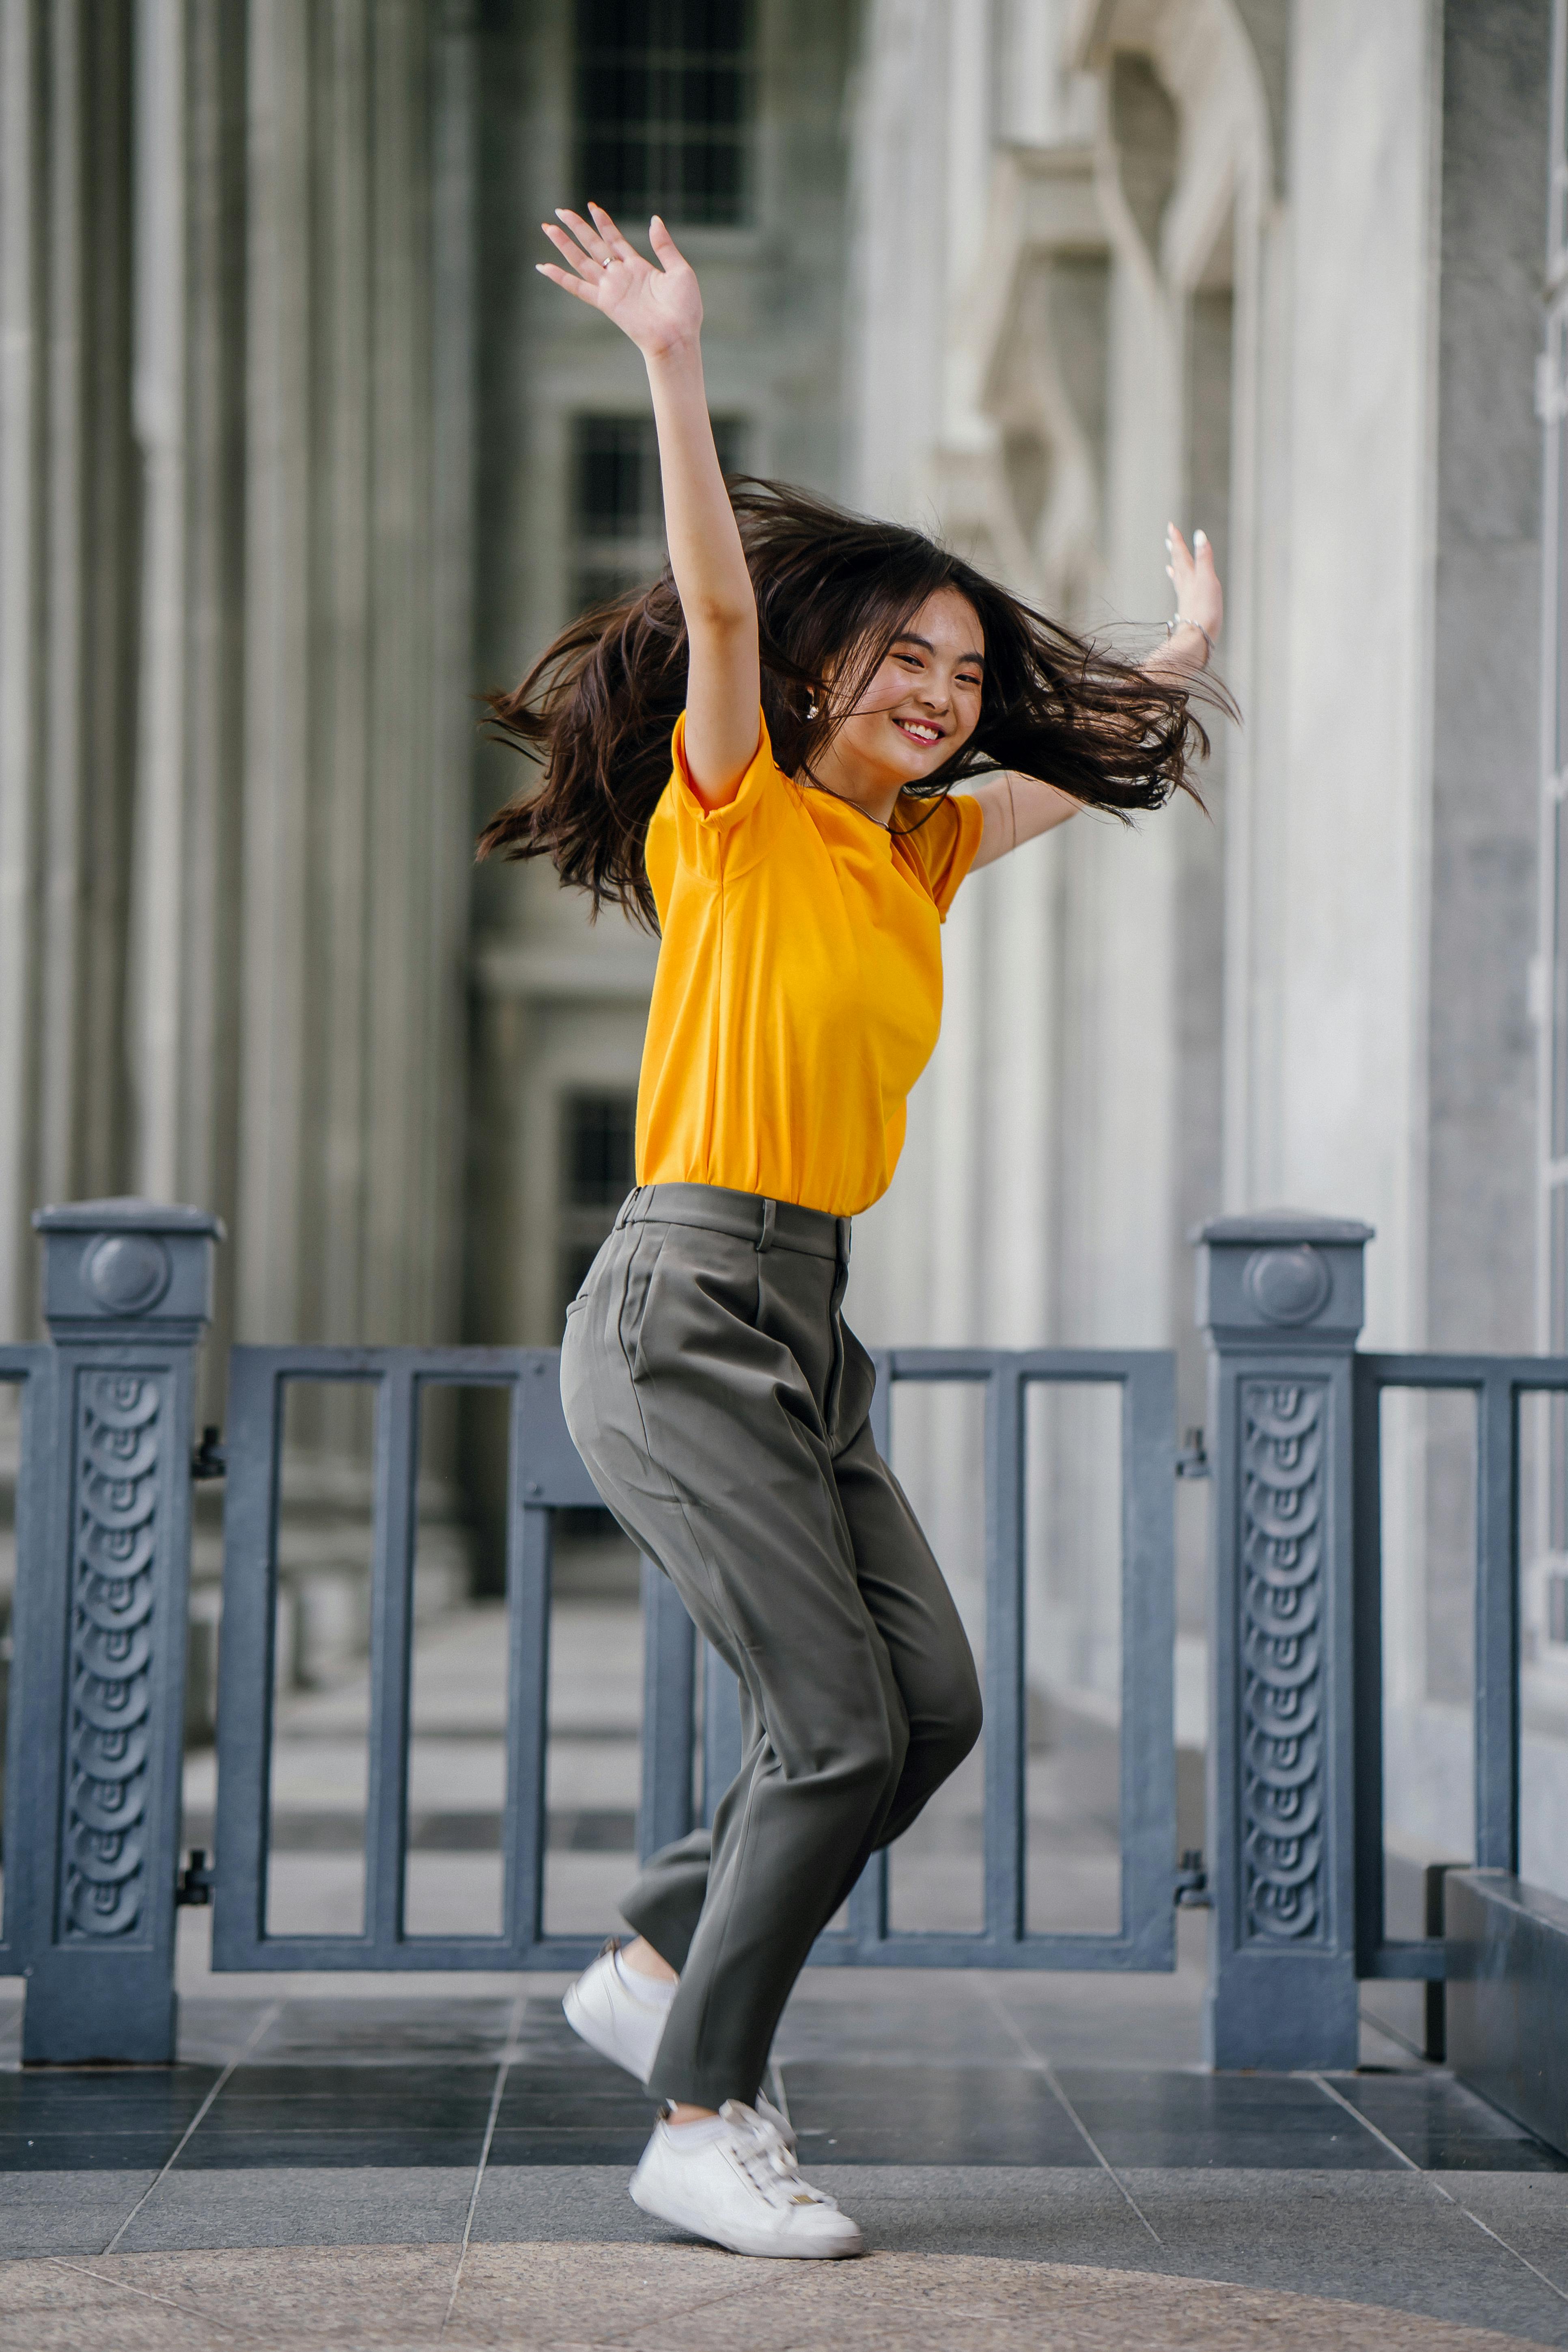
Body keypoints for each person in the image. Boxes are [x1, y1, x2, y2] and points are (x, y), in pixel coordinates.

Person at [478, 200, 1225, 2261]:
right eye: (907, 659)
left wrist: (1166, 662)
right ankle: (698, 2110)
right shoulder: (738, 813)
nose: (942, 693)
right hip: (681, 1299)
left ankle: (652, 1952)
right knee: (832, 1729)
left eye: (967, 674)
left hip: (806, 1319)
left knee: (934, 1710)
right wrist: (672, 355)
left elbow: (1082, 771)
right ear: (825, 672)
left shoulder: (924, 849)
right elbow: (717, 616)